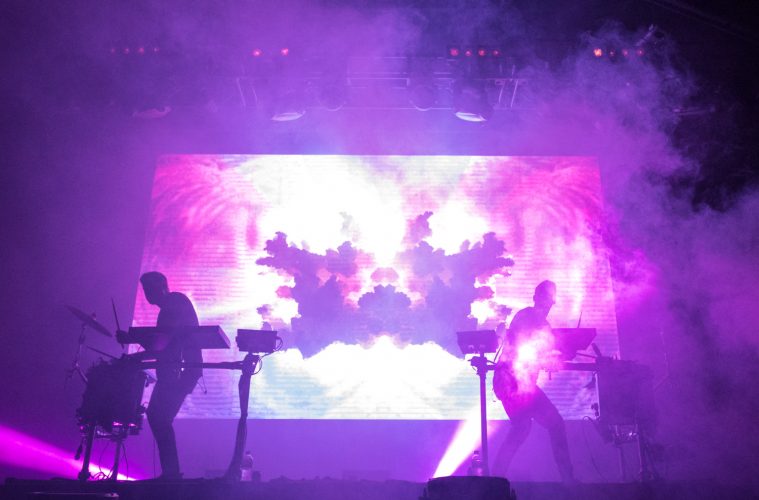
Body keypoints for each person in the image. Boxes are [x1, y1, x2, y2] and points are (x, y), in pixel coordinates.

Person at [118, 271, 202, 480]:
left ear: (162, 287)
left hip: (179, 372)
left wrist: (133, 347)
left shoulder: (173, 304)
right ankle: (171, 473)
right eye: (145, 289)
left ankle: (171, 474)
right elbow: (165, 345)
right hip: (179, 371)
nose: (147, 293)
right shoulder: (172, 305)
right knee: (159, 418)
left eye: (150, 288)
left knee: (158, 417)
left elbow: (161, 346)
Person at [491, 280, 575, 482]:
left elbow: (544, 351)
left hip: (522, 384)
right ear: (536, 298)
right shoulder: (525, 316)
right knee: (528, 427)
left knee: (527, 428)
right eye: (546, 299)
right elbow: (525, 348)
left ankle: (496, 478)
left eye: (551, 300)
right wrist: (554, 354)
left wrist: (560, 355)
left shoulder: (544, 325)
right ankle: (496, 479)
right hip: (511, 382)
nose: (549, 304)